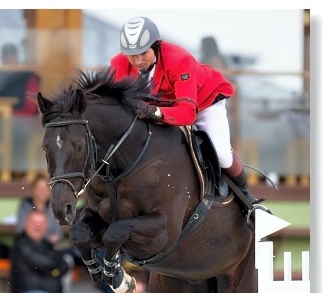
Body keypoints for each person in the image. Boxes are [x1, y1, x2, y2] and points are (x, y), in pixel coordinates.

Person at [110, 16, 265, 212]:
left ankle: (248, 202)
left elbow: (187, 113)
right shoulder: (118, 65)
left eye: (142, 53)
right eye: (132, 55)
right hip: (157, 110)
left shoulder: (178, 59)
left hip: (203, 103)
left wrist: (154, 111)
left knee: (221, 154)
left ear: (155, 46)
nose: (138, 61)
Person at [0, 43, 41, 172]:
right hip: (0, 120)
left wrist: (8, 116)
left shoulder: (28, 76)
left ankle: (13, 171)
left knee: (12, 129)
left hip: (22, 121)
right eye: (6, 58)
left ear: (17, 58)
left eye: (11, 57)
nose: (9, 61)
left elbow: (31, 106)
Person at [16, 174, 64, 246]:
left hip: (48, 247)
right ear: (33, 190)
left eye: (45, 188)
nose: (42, 191)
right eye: (39, 188)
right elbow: (21, 229)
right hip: (28, 246)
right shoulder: (25, 205)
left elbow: (58, 234)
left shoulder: (53, 207)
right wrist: (47, 236)